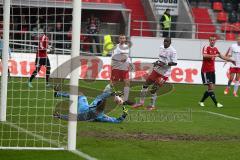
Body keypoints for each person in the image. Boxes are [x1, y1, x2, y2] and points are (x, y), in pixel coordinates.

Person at [133, 38, 177, 110]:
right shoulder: (161, 47)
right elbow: (160, 59)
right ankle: (141, 103)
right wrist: (157, 62)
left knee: (153, 89)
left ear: (170, 43)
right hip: (157, 70)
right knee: (145, 85)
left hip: (165, 73)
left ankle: (152, 106)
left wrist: (164, 63)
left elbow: (175, 63)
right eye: (164, 41)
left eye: (167, 42)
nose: (165, 43)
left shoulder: (173, 51)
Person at [53, 85, 128, 123]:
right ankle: (58, 94)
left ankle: (58, 94)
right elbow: (115, 120)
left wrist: (113, 93)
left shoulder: (96, 104)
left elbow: (102, 96)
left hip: (84, 110)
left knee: (80, 95)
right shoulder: (100, 116)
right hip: (84, 111)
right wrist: (123, 115)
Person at [199, 35, 235, 108]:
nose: (212, 41)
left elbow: (222, 56)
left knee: (211, 88)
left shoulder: (215, 49)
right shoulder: (206, 47)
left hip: (212, 71)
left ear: (215, 41)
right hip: (205, 70)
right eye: (211, 40)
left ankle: (201, 101)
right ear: (209, 40)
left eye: (214, 40)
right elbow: (204, 55)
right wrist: (214, 55)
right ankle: (216, 103)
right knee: (211, 87)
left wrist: (231, 60)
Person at [105, 34, 134, 105]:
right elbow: (113, 57)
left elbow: (127, 57)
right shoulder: (116, 47)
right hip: (117, 68)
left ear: (125, 39)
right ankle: (103, 95)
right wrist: (120, 59)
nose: (122, 40)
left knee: (127, 82)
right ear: (119, 39)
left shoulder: (127, 47)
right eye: (121, 38)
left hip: (125, 68)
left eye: (123, 38)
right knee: (113, 83)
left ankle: (126, 99)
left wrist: (130, 63)